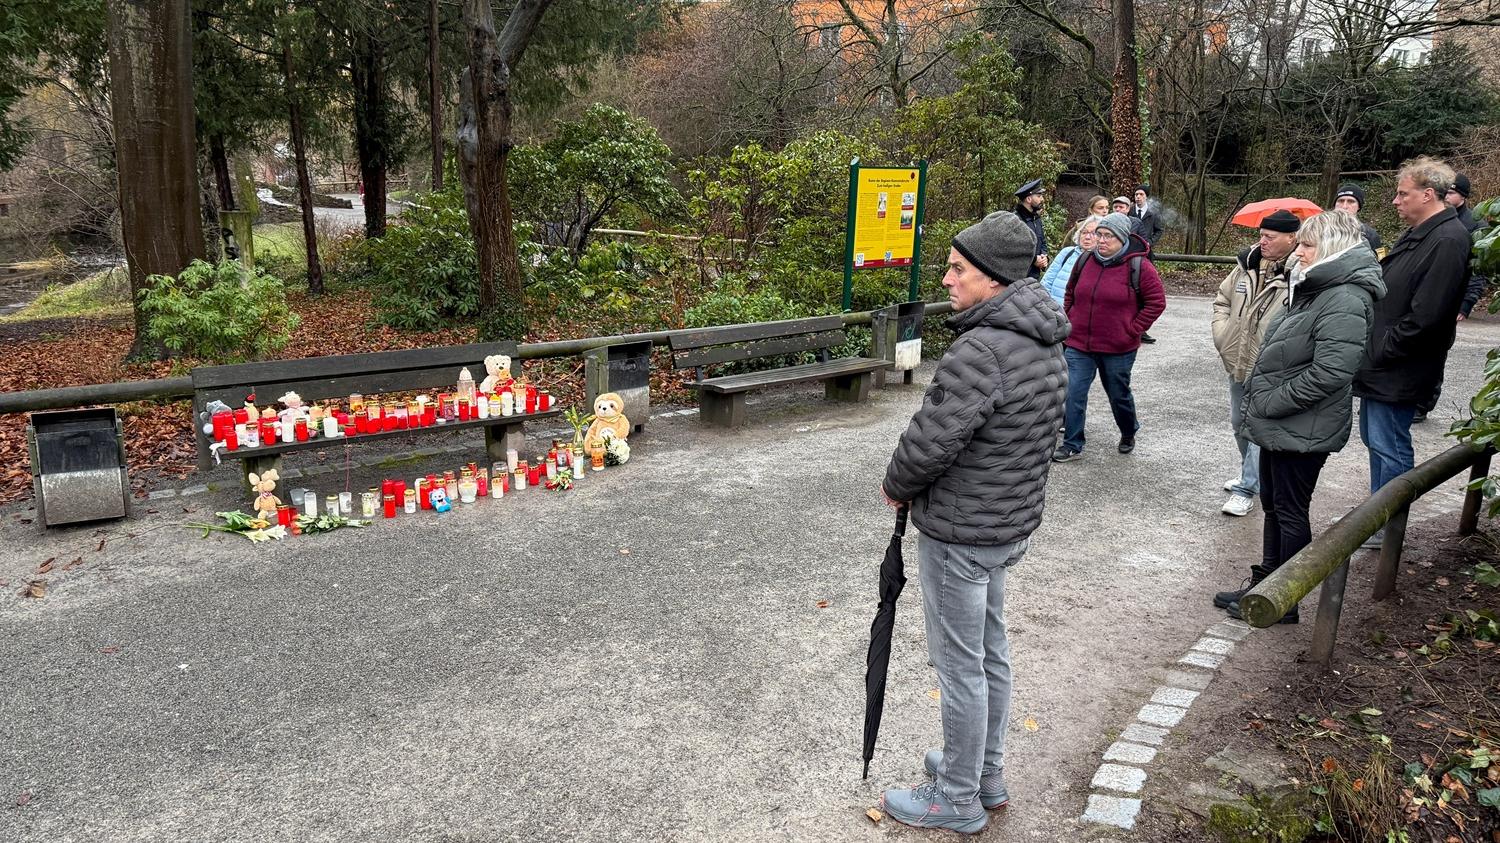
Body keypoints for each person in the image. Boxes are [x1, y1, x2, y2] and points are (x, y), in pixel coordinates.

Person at [879, 211, 1069, 834]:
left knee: (959, 664)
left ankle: (957, 797)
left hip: (961, 532)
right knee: (989, 653)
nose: (947, 277)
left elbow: (932, 439)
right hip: (1006, 526)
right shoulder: (1042, 337)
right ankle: (984, 771)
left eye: (958, 269)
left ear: (992, 279)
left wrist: (896, 487)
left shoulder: (982, 347)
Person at [1215, 211, 1384, 623]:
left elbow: (1332, 372)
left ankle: (1284, 600)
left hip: (1303, 425)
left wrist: (1271, 401)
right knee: (1274, 503)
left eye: (1307, 245)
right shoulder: (1317, 287)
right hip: (1286, 422)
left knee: (1290, 509)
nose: (1300, 252)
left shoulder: (1345, 296)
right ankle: (1268, 583)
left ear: (1330, 248)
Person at [1352, 156, 1471, 537]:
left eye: (1402, 194)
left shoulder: (1448, 240)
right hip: (1384, 364)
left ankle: (1388, 529)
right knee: (1376, 439)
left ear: (1428, 194)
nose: (1395, 201)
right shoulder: (1423, 232)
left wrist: (1381, 349)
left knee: (1389, 446)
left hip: (1399, 366)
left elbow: (1427, 317)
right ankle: (1376, 518)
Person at [1052, 212, 1166, 462]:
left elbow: (1156, 303)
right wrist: (1071, 317)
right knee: (1073, 391)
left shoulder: (1139, 266)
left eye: (1108, 236)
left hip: (1118, 347)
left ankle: (1128, 430)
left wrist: (1132, 329)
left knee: (1118, 393)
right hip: (1079, 343)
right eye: (1099, 234)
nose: (1101, 240)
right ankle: (1072, 444)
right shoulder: (1084, 261)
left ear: (1122, 238)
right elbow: (1070, 292)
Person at [1211, 210, 1300, 517]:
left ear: (1291, 238)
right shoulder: (1246, 264)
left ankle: (1246, 488)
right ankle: (1255, 476)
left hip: (1271, 366)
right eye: (1261, 234)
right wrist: (1223, 334)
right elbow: (1222, 300)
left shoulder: (1300, 273)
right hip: (1238, 359)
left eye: (1270, 237)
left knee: (1257, 428)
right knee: (1239, 423)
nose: (1262, 241)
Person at [1040, 215, 1101, 305]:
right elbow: (1046, 282)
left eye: (1093, 233)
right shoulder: (1067, 252)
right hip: (1052, 311)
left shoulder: (1101, 261)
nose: (1087, 237)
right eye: (1084, 232)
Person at [1014, 179, 1049, 278]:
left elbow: (1042, 242)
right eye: (1038, 196)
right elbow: (1014, 248)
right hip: (1018, 277)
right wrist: (1034, 260)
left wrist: (1044, 257)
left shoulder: (1036, 219)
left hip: (1034, 277)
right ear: (1029, 199)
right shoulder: (1016, 220)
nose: (1042, 199)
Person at [1333, 184, 1382, 252]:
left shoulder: (1369, 235)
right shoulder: (1320, 230)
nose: (1344, 206)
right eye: (1341, 201)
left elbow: (1378, 260)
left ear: (1358, 207)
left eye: (1351, 201)